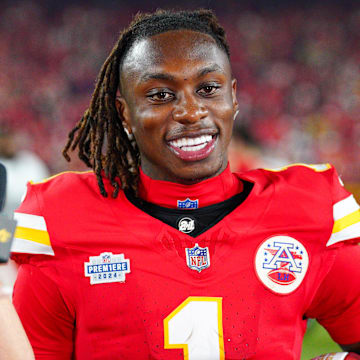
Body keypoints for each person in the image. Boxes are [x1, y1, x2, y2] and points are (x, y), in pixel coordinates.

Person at [11, 9, 360, 359]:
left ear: (233, 98)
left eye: (208, 89)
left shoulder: (307, 210)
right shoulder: (65, 220)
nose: (191, 112)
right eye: (160, 95)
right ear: (125, 113)